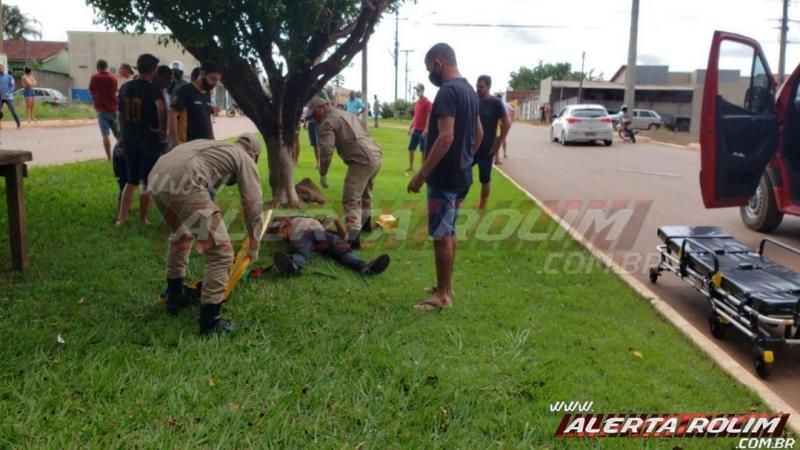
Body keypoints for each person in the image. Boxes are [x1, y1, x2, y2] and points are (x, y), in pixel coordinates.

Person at [148, 133, 264, 334]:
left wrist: (207, 228)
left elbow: (207, 196)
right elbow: (253, 204)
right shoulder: (244, 157)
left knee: (182, 235)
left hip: (156, 176)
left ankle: (175, 297)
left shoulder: (218, 149)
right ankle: (210, 322)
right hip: (186, 180)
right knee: (220, 253)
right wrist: (254, 243)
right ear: (254, 154)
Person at [406, 43, 482, 312]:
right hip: (462, 176)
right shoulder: (469, 91)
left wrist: (421, 174)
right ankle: (446, 286)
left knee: (441, 235)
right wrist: (466, 159)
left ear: (438, 63)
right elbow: (479, 134)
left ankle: (442, 297)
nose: (430, 74)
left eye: (430, 68)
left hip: (444, 178)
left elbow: (446, 137)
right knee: (448, 232)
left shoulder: (448, 92)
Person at [306, 92, 382, 248]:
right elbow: (365, 133)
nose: (314, 120)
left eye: (314, 115)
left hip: (361, 161)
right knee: (366, 193)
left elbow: (326, 149)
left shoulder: (328, 122)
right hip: (376, 155)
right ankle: (366, 225)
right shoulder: (346, 114)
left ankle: (353, 239)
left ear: (321, 109)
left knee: (350, 198)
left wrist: (323, 172)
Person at [116, 53, 167, 225]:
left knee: (131, 180)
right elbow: (161, 108)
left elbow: (120, 114)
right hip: (148, 139)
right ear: (153, 70)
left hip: (130, 138)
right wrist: (162, 131)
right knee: (146, 181)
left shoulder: (125, 88)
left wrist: (122, 136)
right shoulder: (153, 89)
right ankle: (143, 218)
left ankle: (121, 218)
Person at [270, 215, 390, 276]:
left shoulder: (322, 226)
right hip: (302, 235)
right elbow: (274, 220)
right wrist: (284, 221)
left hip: (322, 234)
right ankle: (294, 266)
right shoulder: (290, 221)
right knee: (301, 250)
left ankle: (366, 267)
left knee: (340, 249)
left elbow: (345, 237)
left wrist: (336, 220)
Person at [475, 77, 510, 211]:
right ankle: (456, 203)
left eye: (481, 87)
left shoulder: (496, 103)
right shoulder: (474, 100)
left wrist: (498, 143)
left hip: (486, 149)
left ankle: (482, 206)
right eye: (477, 86)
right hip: (471, 148)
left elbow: (506, 123)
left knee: (485, 180)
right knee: (460, 175)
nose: (478, 89)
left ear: (488, 86)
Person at [169, 61, 220, 147]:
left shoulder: (207, 93)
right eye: (213, 79)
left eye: (218, 80)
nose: (216, 83)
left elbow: (207, 118)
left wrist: (212, 139)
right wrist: (175, 141)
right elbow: (172, 114)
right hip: (188, 145)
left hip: (205, 144)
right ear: (202, 74)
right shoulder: (184, 91)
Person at [88, 59, 120, 160]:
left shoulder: (94, 77)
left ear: (98, 67)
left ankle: (109, 158)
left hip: (101, 110)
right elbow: (115, 90)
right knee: (118, 134)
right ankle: (121, 154)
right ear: (106, 67)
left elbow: (91, 91)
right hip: (114, 108)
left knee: (105, 134)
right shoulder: (113, 78)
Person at [406, 83, 432, 174]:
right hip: (415, 130)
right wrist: (410, 127)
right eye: (416, 90)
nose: (417, 92)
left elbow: (429, 116)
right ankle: (410, 166)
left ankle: (423, 169)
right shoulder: (416, 103)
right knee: (410, 148)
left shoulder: (428, 103)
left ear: (422, 90)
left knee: (423, 150)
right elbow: (415, 117)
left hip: (423, 131)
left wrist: (426, 129)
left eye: (418, 90)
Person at [155, 65, 174, 153]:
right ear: (158, 77)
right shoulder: (152, 92)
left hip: (165, 134)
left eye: (170, 79)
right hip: (156, 134)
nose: (169, 82)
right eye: (166, 78)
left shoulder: (166, 93)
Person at [0, 64, 21, 129]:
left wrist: (9, 92)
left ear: (3, 69)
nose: (0, 70)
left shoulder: (9, 77)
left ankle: (18, 123)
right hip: (0, 97)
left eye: (1, 68)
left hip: (8, 97)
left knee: (13, 110)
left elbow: (12, 86)